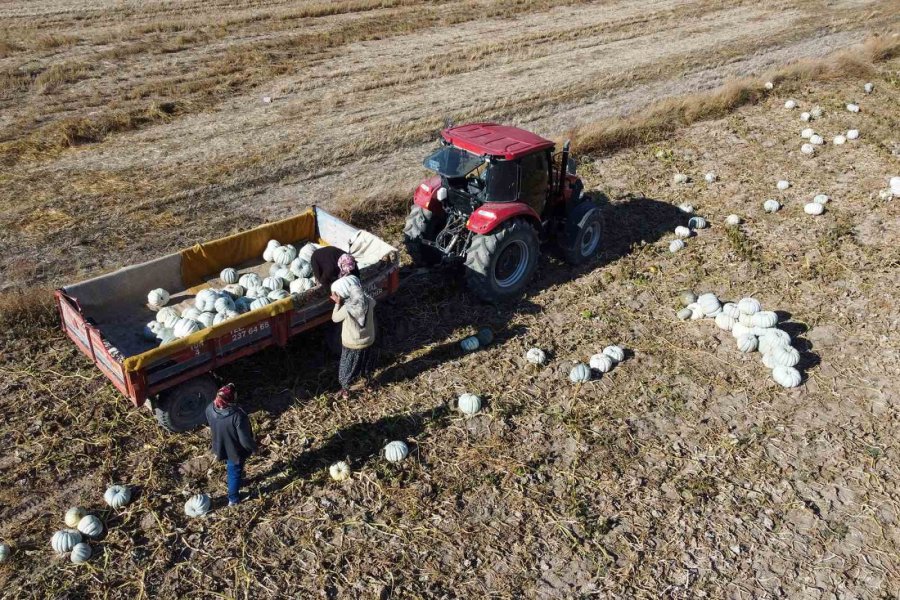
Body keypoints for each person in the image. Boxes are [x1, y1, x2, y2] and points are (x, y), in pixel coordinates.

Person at [205, 383, 256, 506]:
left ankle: (238, 483)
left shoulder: (210, 408)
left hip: (219, 445)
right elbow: (245, 440)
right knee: (234, 472)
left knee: (232, 470)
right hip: (235, 451)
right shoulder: (238, 416)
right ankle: (233, 499)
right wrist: (254, 448)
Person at [330, 275, 377, 398]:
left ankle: (346, 390)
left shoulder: (346, 308)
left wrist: (337, 303)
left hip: (351, 344)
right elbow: (371, 299)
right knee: (366, 364)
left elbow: (335, 318)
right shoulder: (369, 302)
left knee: (347, 368)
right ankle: (369, 385)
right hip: (369, 341)